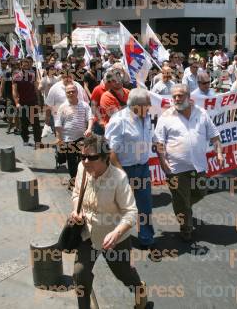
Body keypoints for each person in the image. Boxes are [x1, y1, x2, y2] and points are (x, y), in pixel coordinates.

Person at [70, 135, 147, 309]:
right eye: (83, 157)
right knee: (80, 274)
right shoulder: (82, 168)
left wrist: (116, 233)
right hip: (87, 234)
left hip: (114, 239)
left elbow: (131, 212)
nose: (86, 161)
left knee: (125, 275)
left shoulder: (118, 178)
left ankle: (139, 289)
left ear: (105, 158)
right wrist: (76, 210)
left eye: (92, 157)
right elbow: (76, 194)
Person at [154, 84, 223, 242]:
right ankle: (186, 228)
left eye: (180, 95)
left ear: (189, 97)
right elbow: (158, 142)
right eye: (175, 96)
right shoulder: (166, 117)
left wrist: (219, 152)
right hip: (175, 169)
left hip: (198, 167)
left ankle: (183, 206)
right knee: (182, 200)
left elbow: (214, 136)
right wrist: (163, 162)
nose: (177, 99)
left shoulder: (202, 113)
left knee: (201, 191)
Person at [105, 88, 157, 252]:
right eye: (146, 105)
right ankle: (113, 238)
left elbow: (151, 137)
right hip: (123, 169)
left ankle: (146, 238)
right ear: (135, 105)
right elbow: (111, 152)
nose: (149, 108)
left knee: (145, 204)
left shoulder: (146, 117)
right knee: (120, 207)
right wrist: (122, 175)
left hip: (142, 168)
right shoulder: (119, 120)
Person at [55, 83, 94, 188]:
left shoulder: (84, 105)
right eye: (68, 92)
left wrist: (89, 128)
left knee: (84, 160)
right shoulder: (62, 107)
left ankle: (83, 180)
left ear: (77, 92)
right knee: (72, 162)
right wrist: (59, 139)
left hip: (82, 138)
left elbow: (90, 118)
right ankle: (74, 182)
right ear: (66, 94)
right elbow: (58, 125)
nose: (71, 93)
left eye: (73, 91)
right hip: (68, 139)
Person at [12, 59, 42, 148]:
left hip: (32, 102)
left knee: (35, 123)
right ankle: (25, 139)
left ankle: (38, 141)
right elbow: (14, 91)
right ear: (21, 66)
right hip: (22, 103)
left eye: (27, 65)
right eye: (24, 65)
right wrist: (17, 103)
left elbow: (36, 88)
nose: (26, 67)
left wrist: (39, 100)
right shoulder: (16, 76)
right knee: (24, 123)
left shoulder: (32, 75)